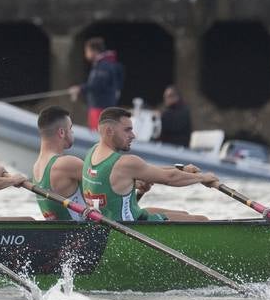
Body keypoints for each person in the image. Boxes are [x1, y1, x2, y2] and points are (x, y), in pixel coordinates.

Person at [82, 107, 216, 222]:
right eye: (127, 130)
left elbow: (147, 171)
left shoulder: (92, 152)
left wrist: (183, 169)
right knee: (202, 220)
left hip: (117, 221)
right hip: (130, 228)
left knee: (184, 215)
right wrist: (203, 178)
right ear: (109, 131)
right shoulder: (125, 163)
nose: (133, 135)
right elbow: (170, 178)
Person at [31, 106, 86, 222]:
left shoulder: (36, 166)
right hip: (83, 235)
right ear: (61, 132)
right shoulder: (66, 163)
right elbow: (107, 180)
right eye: (70, 128)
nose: (72, 132)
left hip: (61, 235)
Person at [68, 37, 123, 128]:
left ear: (94, 51)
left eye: (87, 51)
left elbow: (97, 85)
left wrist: (79, 89)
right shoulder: (101, 64)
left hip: (100, 108)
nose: (86, 54)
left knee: (98, 133)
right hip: (98, 107)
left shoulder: (103, 66)